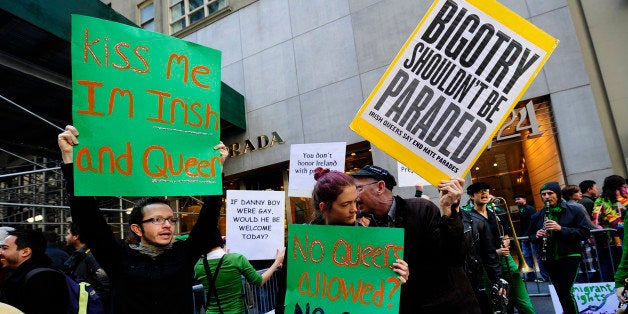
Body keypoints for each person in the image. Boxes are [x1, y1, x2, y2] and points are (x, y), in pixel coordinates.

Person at [57, 125, 227, 313]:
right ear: (137, 229)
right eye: (157, 220)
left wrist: (216, 171)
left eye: (171, 220)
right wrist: (70, 162)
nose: (167, 225)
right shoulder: (119, 257)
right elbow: (89, 220)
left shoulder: (183, 254)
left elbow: (208, 219)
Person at [275, 168, 409, 313]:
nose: (354, 210)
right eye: (345, 204)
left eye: (355, 202)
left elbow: (379, 291)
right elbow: (284, 295)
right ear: (324, 207)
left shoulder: (369, 240)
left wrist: (398, 276)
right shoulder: (301, 242)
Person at [351, 165, 479, 313]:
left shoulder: (421, 209)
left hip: (449, 305)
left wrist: (449, 212)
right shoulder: (370, 228)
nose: (354, 196)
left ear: (380, 187)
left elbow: (455, 256)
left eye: (358, 189)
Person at [463, 183, 535, 314]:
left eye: (486, 190)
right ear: (471, 196)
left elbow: (506, 234)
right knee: (496, 304)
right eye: (479, 192)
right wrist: (496, 252)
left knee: (524, 303)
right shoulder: (468, 218)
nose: (484, 193)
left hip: (506, 260)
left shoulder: (496, 213)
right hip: (486, 264)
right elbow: (471, 247)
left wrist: (506, 242)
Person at [528, 182, 590, 314]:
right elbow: (530, 236)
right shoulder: (538, 215)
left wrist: (561, 229)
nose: (546, 197)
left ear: (558, 194)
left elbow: (584, 232)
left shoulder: (574, 210)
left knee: (565, 290)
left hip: (570, 256)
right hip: (550, 258)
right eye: (543, 194)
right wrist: (537, 235)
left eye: (550, 193)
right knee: (560, 291)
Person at [194, 231, 285, 314]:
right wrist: (277, 262)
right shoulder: (236, 259)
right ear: (220, 240)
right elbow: (259, 281)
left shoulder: (199, 266)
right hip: (237, 311)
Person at [0, 228, 69, 313]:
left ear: (25, 252)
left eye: (4, 248)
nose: (0, 252)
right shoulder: (18, 274)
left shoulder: (44, 278)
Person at [461, 200, 505, 314]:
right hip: (456, 283)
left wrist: (497, 279)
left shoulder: (476, 221)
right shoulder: (438, 223)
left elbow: (488, 253)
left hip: (475, 278)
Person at [64, 222, 111, 310]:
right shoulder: (78, 255)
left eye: (68, 234)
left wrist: (90, 304)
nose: (65, 237)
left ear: (76, 237)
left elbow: (104, 286)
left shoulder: (91, 256)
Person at [591, 175, 627, 282]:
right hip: (612, 241)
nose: (624, 187)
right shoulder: (601, 200)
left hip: (622, 237)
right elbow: (595, 219)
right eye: (622, 185)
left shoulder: (622, 198)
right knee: (615, 267)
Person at [513, 193, 545, 282]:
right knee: (527, 256)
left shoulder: (529, 209)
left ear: (524, 199)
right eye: (515, 200)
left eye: (518, 199)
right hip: (526, 235)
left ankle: (544, 276)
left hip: (531, 236)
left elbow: (532, 224)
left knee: (538, 256)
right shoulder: (521, 209)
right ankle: (530, 275)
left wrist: (525, 235)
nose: (516, 201)